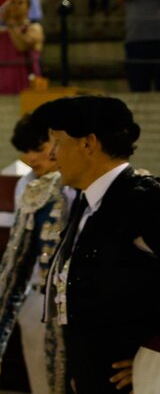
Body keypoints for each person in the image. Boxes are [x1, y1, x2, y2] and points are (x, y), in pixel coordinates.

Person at [33, 96, 159, 394]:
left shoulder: (145, 200)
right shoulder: (87, 204)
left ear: (88, 143)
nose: (51, 154)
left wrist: (155, 358)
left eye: (58, 141)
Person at [0, 113, 68, 394]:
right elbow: (16, 260)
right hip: (37, 297)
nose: (31, 158)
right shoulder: (28, 186)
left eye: (38, 149)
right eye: (25, 152)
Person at [0, 0, 44, 95]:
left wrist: (11, 23)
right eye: (12, 3)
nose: (15, 6)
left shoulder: (34, 28)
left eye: (20, 2)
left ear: (28, 7)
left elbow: (21, 46)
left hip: (25, 83)